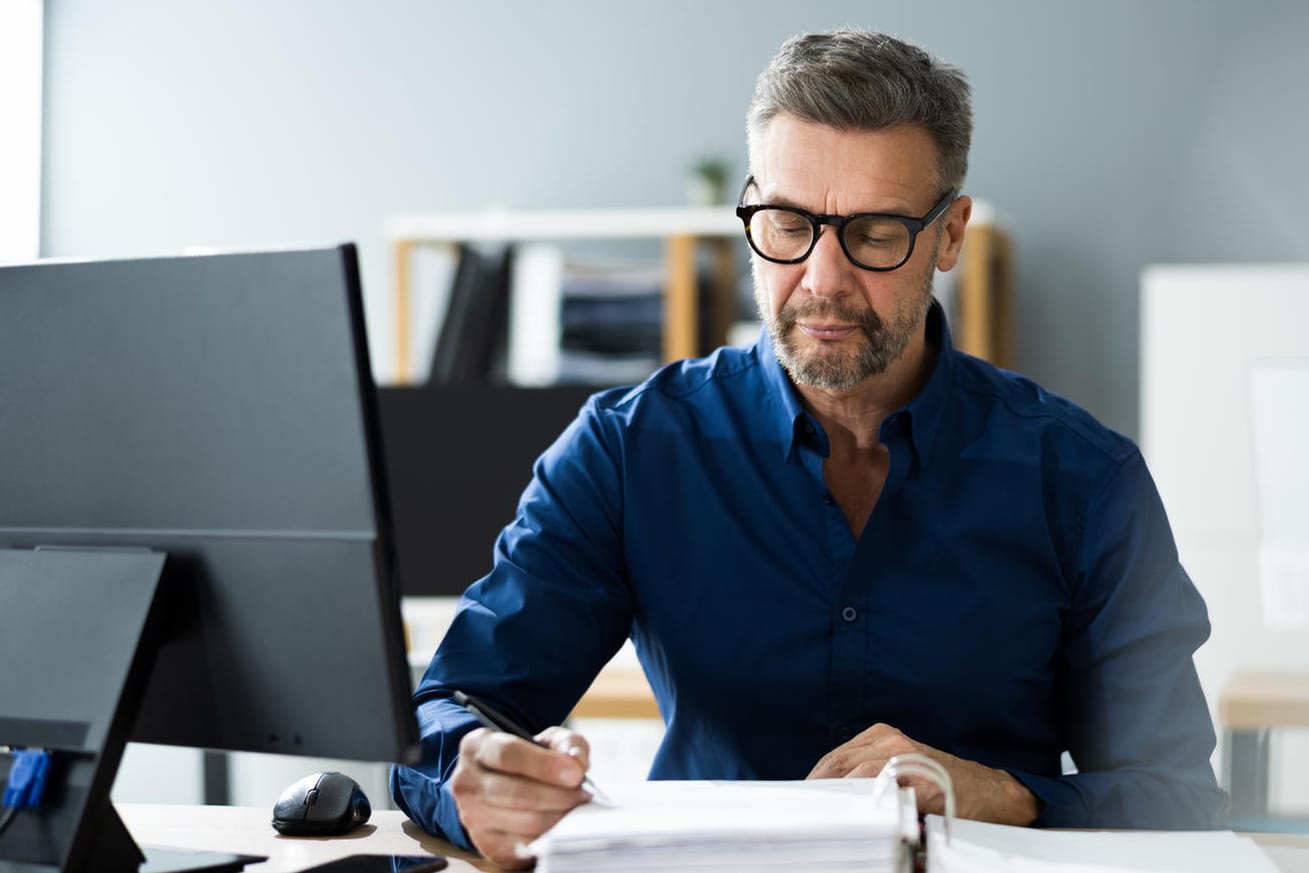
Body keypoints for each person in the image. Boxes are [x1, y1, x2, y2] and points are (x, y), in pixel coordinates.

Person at [391, 28, 1227, 868]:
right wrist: (477, 776)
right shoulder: (628, 449)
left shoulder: (1085, 481)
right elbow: (449, 710)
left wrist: (994, 792)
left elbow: (1178, 797)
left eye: (872, 234)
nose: (821, 280)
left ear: (949, 235)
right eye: (788, 223)